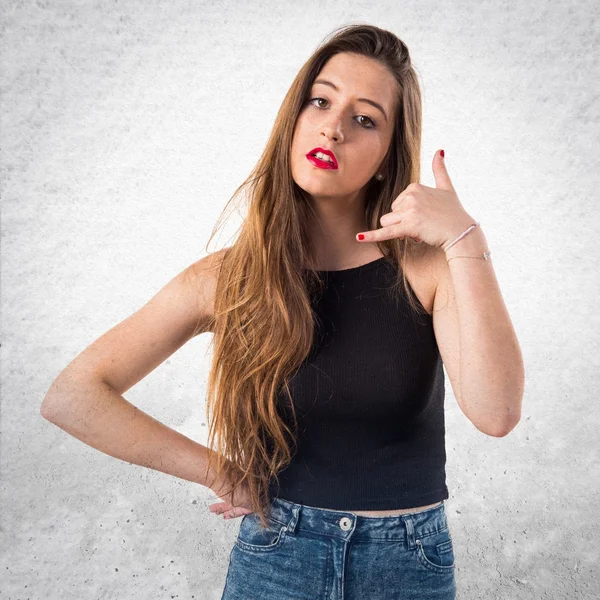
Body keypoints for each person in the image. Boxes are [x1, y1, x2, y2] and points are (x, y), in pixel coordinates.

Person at [41, 22, 524, 600]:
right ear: (294, 117)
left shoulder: (427, 268)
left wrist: (464, 239)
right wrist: (221, 472)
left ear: (388, 154)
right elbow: (74, 395)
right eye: (320, 101)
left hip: (408, 562)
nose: (333, 126)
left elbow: (496, 414)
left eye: (364, 118)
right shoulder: (229, 279)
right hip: (278, 557)